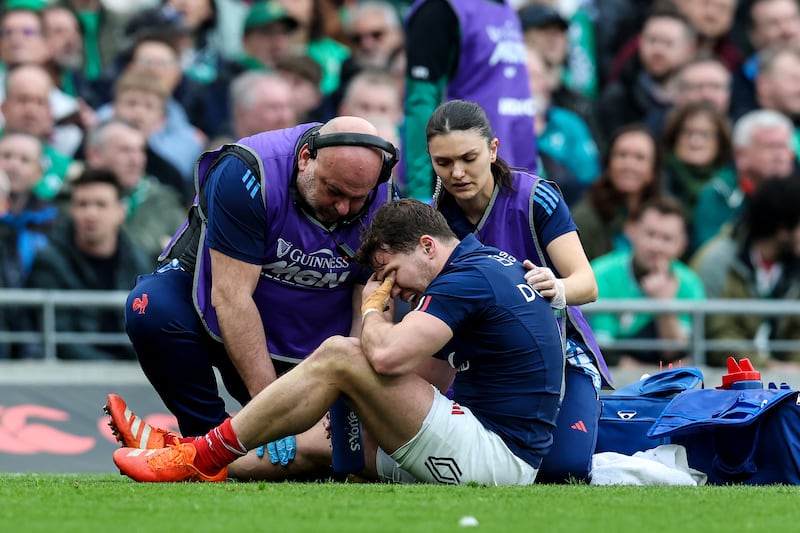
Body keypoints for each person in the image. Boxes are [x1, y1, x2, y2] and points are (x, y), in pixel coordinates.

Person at [111, 198, 565, 485]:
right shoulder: (482, 267)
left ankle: (201, 452)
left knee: (341, 354)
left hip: (496, 458)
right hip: (491, 443)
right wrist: (362, 401)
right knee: (319, 442)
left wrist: (371, 308)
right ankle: (177, 454)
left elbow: (386, 357)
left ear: (428, 246)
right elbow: (431, 374)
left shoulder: (467, 280)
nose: (391, 288)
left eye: (389, 272)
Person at [107, 116, 398, 477]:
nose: (343, 208)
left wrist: (348, 399)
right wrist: (271, 409)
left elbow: (368, 310)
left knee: (326, 461)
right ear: (306, 158)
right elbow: (231, 298)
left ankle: (189, 456)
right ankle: (205, 442)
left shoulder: (384, 199)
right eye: (333, 191)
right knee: (149, 307)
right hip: (228, 312)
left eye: (357, 199)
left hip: (314, 343)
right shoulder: (247, 174)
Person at [426, 99, 610, 483]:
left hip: (557, 356)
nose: (457, 172)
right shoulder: (432, 219)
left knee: (564, 470)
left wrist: (557, 286)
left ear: (493, 150)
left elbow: (586, 284)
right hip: (472, 363)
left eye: (468, 157)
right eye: (443, 163)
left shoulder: (537, 198)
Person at [403, 0, 537, 200]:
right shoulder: (439, 10)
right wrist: (421, 195)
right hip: (459, 188)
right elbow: (420, 105)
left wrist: (532, 178)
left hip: (510, 183)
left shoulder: (506, 10)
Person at [26, 168, 152, 360]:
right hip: (76, 376)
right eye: (82, 205)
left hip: (133, 372)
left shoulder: (140, 261)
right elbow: (60, 337)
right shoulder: (49, 261)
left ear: (120, 211)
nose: (91, 213)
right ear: (72, 210)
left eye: (101, 205)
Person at [589, 196, 706, 367]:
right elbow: (603, 350)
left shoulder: (691, 283)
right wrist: (656, 374)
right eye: (650, 234)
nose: (656, 246)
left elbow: (677, 353)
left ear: (682, 245)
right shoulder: (599, 273)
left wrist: (665, 305)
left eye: (667, 239)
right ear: (633, 231)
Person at [571, 124, 663, 262]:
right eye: (621, 155)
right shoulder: (584, 219)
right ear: (608, 164)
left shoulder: (662, 217)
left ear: (653, 170)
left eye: (639, 158)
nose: (628, 165)